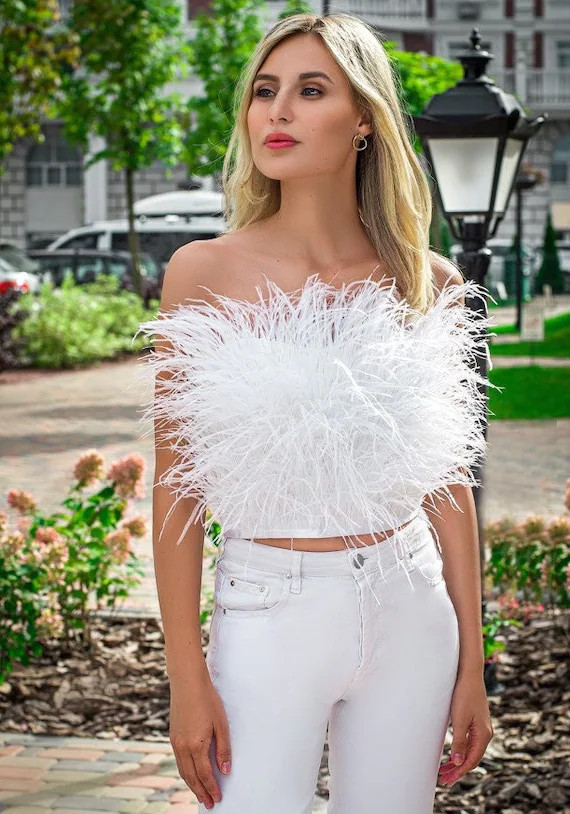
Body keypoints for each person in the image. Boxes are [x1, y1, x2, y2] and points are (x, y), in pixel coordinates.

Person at [134, 12, 496, 813]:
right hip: (268, 612)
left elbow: (447, 482)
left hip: (411, 608)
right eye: (265, 91)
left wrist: (473, 663)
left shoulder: (427, 281)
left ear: (364, 117)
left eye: (310, 90)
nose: (277, 111)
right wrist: (186, 678)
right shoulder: (203, 273)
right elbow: (177, 487)